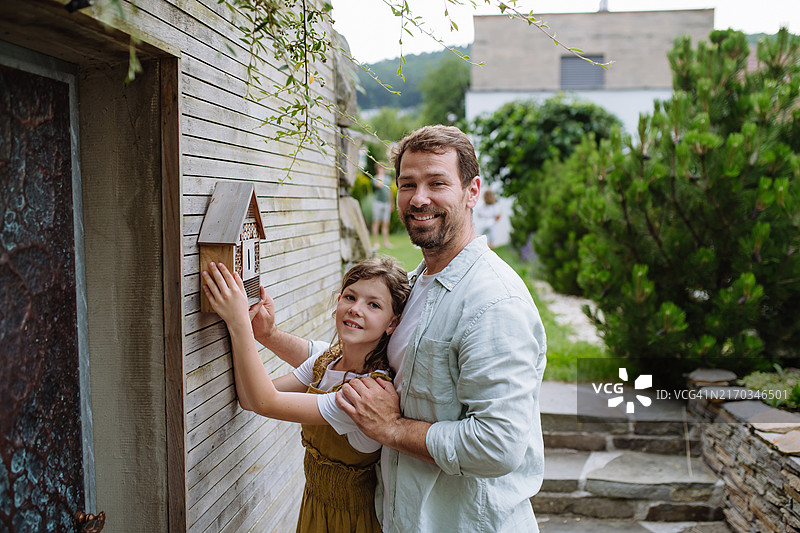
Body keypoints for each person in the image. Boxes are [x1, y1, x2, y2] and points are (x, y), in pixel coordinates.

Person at [250, 125, 547, 532]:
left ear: (472, 191)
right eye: (407, 184)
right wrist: (270, 336)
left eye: (437, 183)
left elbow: (498, 445)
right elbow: (365, 357)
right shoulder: (419, 281)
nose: (419, 198)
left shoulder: (493, 303)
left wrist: (391, 428)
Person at [201, 257, 411, 533]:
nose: (355, 309)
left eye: (373, 305)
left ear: (392, 323)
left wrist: (238, 321)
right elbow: (251, 399)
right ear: (338, 300)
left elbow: (266, 402)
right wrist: (242, 326)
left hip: (351, 521)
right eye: (350, 297)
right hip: (314, 505)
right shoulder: (328, 361)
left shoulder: (365, 394)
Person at [370, 164, 394, 249]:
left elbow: (389, 191)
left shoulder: (388, 178)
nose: (382, 169)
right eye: (380, 167)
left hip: (386, 203)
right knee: (376, 223)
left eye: (383, 167)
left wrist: (392, 203)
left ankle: (385, 242)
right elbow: (379, 185)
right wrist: (381, 175)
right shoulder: (375, 178)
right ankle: (376, 243)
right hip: (378, 203)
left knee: (386, 223)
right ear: (377, 168)